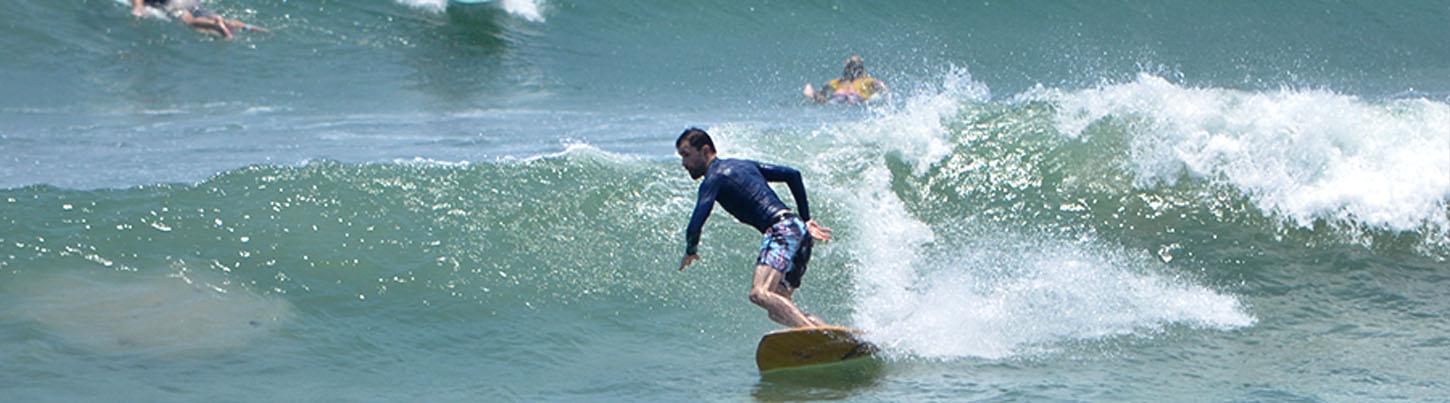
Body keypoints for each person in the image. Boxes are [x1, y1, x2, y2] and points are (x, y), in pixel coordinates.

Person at [675, 127, 834, 328]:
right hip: (796, 229)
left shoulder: (714, 178)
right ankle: (829, 335)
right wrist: (806, 219)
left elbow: (695, 224)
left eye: (687, 155)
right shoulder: (743, 165)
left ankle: (813, 335)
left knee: (759, 293)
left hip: (781, 229)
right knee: (779, 307)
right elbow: (792, 175)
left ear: (705, 150)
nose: (684, 164)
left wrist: (691, 250)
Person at [131, 0, 266, 39]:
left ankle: (215, 24)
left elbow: (138, 6)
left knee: (190, 21)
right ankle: (251, 27)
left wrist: (137, 13)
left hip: (173, 4)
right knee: (221, 17)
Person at [802, 55, 889, 104]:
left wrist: (820, 94)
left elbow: (825, 88)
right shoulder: (866, 80)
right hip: (856, 95)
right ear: (861, 70)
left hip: (840, 94)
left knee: (826, 101)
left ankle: (812, 93)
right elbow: (880, 84)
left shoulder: (838, 81)